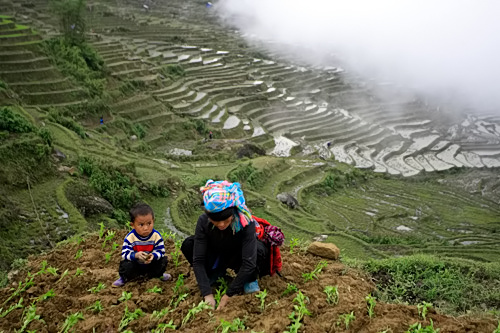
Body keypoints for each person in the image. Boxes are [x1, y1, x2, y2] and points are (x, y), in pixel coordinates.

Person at [181, 180, 269, 310]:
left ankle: (249, 279)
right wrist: (207, 294)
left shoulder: (246, 222)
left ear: (233, 212)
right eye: (216, 220)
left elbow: (249, 262)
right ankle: (215, 272)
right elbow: (198, 260)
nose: (221, 224)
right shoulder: (203, 222)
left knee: (259, 250)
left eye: (225, 219)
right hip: (216, 254)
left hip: (237, 256)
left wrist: (228, 295)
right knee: (189, 244)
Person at [113, 203, 171, 287]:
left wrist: (153, 256)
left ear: (153, 221)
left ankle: (159, 275)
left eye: (149, 223)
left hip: (151, 264)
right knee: (125, 265)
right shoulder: (130, 238)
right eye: (141, 225)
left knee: (163, 261)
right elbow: (125, 254)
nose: (146, 228)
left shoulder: (156, 236)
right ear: (132, 225)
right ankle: (124, 278)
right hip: (136, 264)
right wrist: (136, 255)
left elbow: (161, 251)